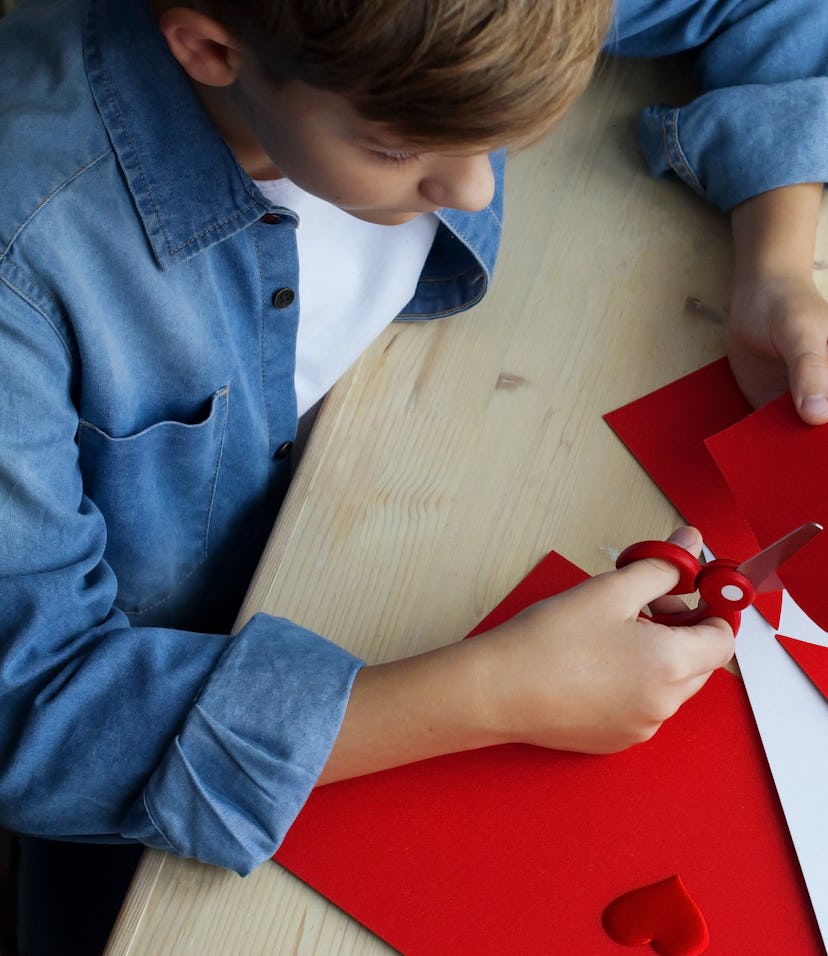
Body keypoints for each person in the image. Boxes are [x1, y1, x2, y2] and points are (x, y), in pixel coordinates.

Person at [0, 0, 823, 952]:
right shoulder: (27, 256)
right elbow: (34, 713)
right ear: (210, 48)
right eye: (401, 148)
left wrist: (775, 262)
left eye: (508, 132)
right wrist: (491, 696)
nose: (475, 189)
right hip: (150, 758)